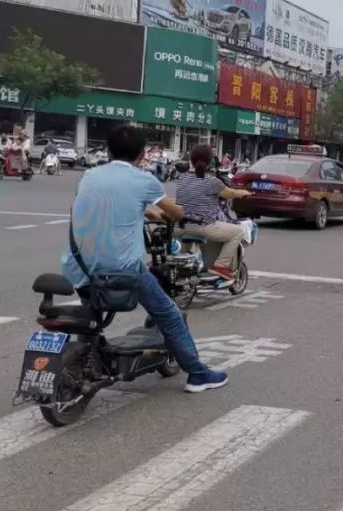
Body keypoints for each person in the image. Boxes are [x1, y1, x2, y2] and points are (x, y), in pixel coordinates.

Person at [61, 125, 227, 393]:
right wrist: (167, 212)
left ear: (107, 150)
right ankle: (198, 374)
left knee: (91, 316)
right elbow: (174, 212)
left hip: (79, 266)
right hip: (123, 270)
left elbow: (107, 204)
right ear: (142, 155)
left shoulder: (89, 176)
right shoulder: (144, 180)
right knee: (170, 315)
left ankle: (87, 364)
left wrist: (144, 212)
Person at [174, 144, 252, 281]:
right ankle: (220, 266)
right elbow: (230, 193)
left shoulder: (182, 178)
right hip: (203, 227)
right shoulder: (212, 181)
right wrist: (245, 193)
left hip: (180, 227)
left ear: (191, 160)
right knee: (238, 232)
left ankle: (180, 267)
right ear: (210, 161)